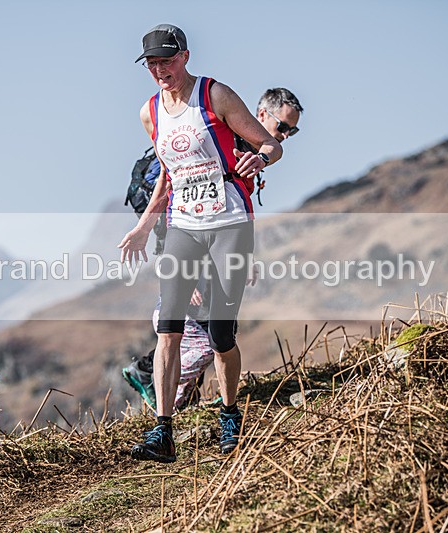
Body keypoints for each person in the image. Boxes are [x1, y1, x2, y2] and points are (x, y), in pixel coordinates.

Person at [119, 24, 283, 463]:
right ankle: (163, 431)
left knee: (220, 334)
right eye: (152, 64)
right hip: (183, 226)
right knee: (167, 329)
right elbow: (169, 176)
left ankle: (230, 415)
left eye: (167, 61)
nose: (160, 71)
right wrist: (144, 226)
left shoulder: (215, 96)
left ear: (185, 57)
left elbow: (269, 143)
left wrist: (260, 156)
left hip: (229, 223)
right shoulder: (149, 112)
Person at [122, 87, 303, 413]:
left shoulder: (248, 149)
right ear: (261, 115)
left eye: (293, 130)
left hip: (215, 241)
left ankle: (187, 395)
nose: (287, 135)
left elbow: (232, 208)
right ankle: (154, 381)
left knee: (213, 329)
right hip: (187, 238)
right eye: (284, 126)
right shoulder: (226, 140)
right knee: (205, 334)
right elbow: (178, 195)